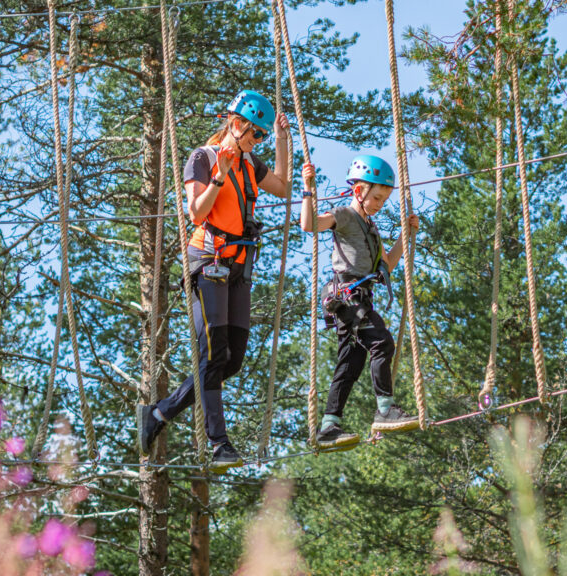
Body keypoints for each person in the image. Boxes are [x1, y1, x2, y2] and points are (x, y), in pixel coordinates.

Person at [138, 89, 292, 471]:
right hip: (208, 260)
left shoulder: (251, 164)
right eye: (255, 133)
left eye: (262, 136)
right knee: (212, 353)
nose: (257, 140)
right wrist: (220, 178)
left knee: (232, 358)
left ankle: (159, 413)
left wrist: (284, 143)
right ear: (236, 124)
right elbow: (196, 212)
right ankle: (219, 442)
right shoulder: (203, 158)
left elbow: (285, 189)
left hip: (239, 266)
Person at [299, 155, 420, 450]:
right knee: (382, 343)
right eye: (377, 197)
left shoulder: (371, 228)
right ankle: (385, 409)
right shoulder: (343, 215)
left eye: (384, 199)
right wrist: (306, 189)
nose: (380, 204)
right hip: (348, 296)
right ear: (358, 192)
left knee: (351, 362)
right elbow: (309, 224)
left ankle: (329, 425)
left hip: (360, 297)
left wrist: (407, 233)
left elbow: (388, 264)